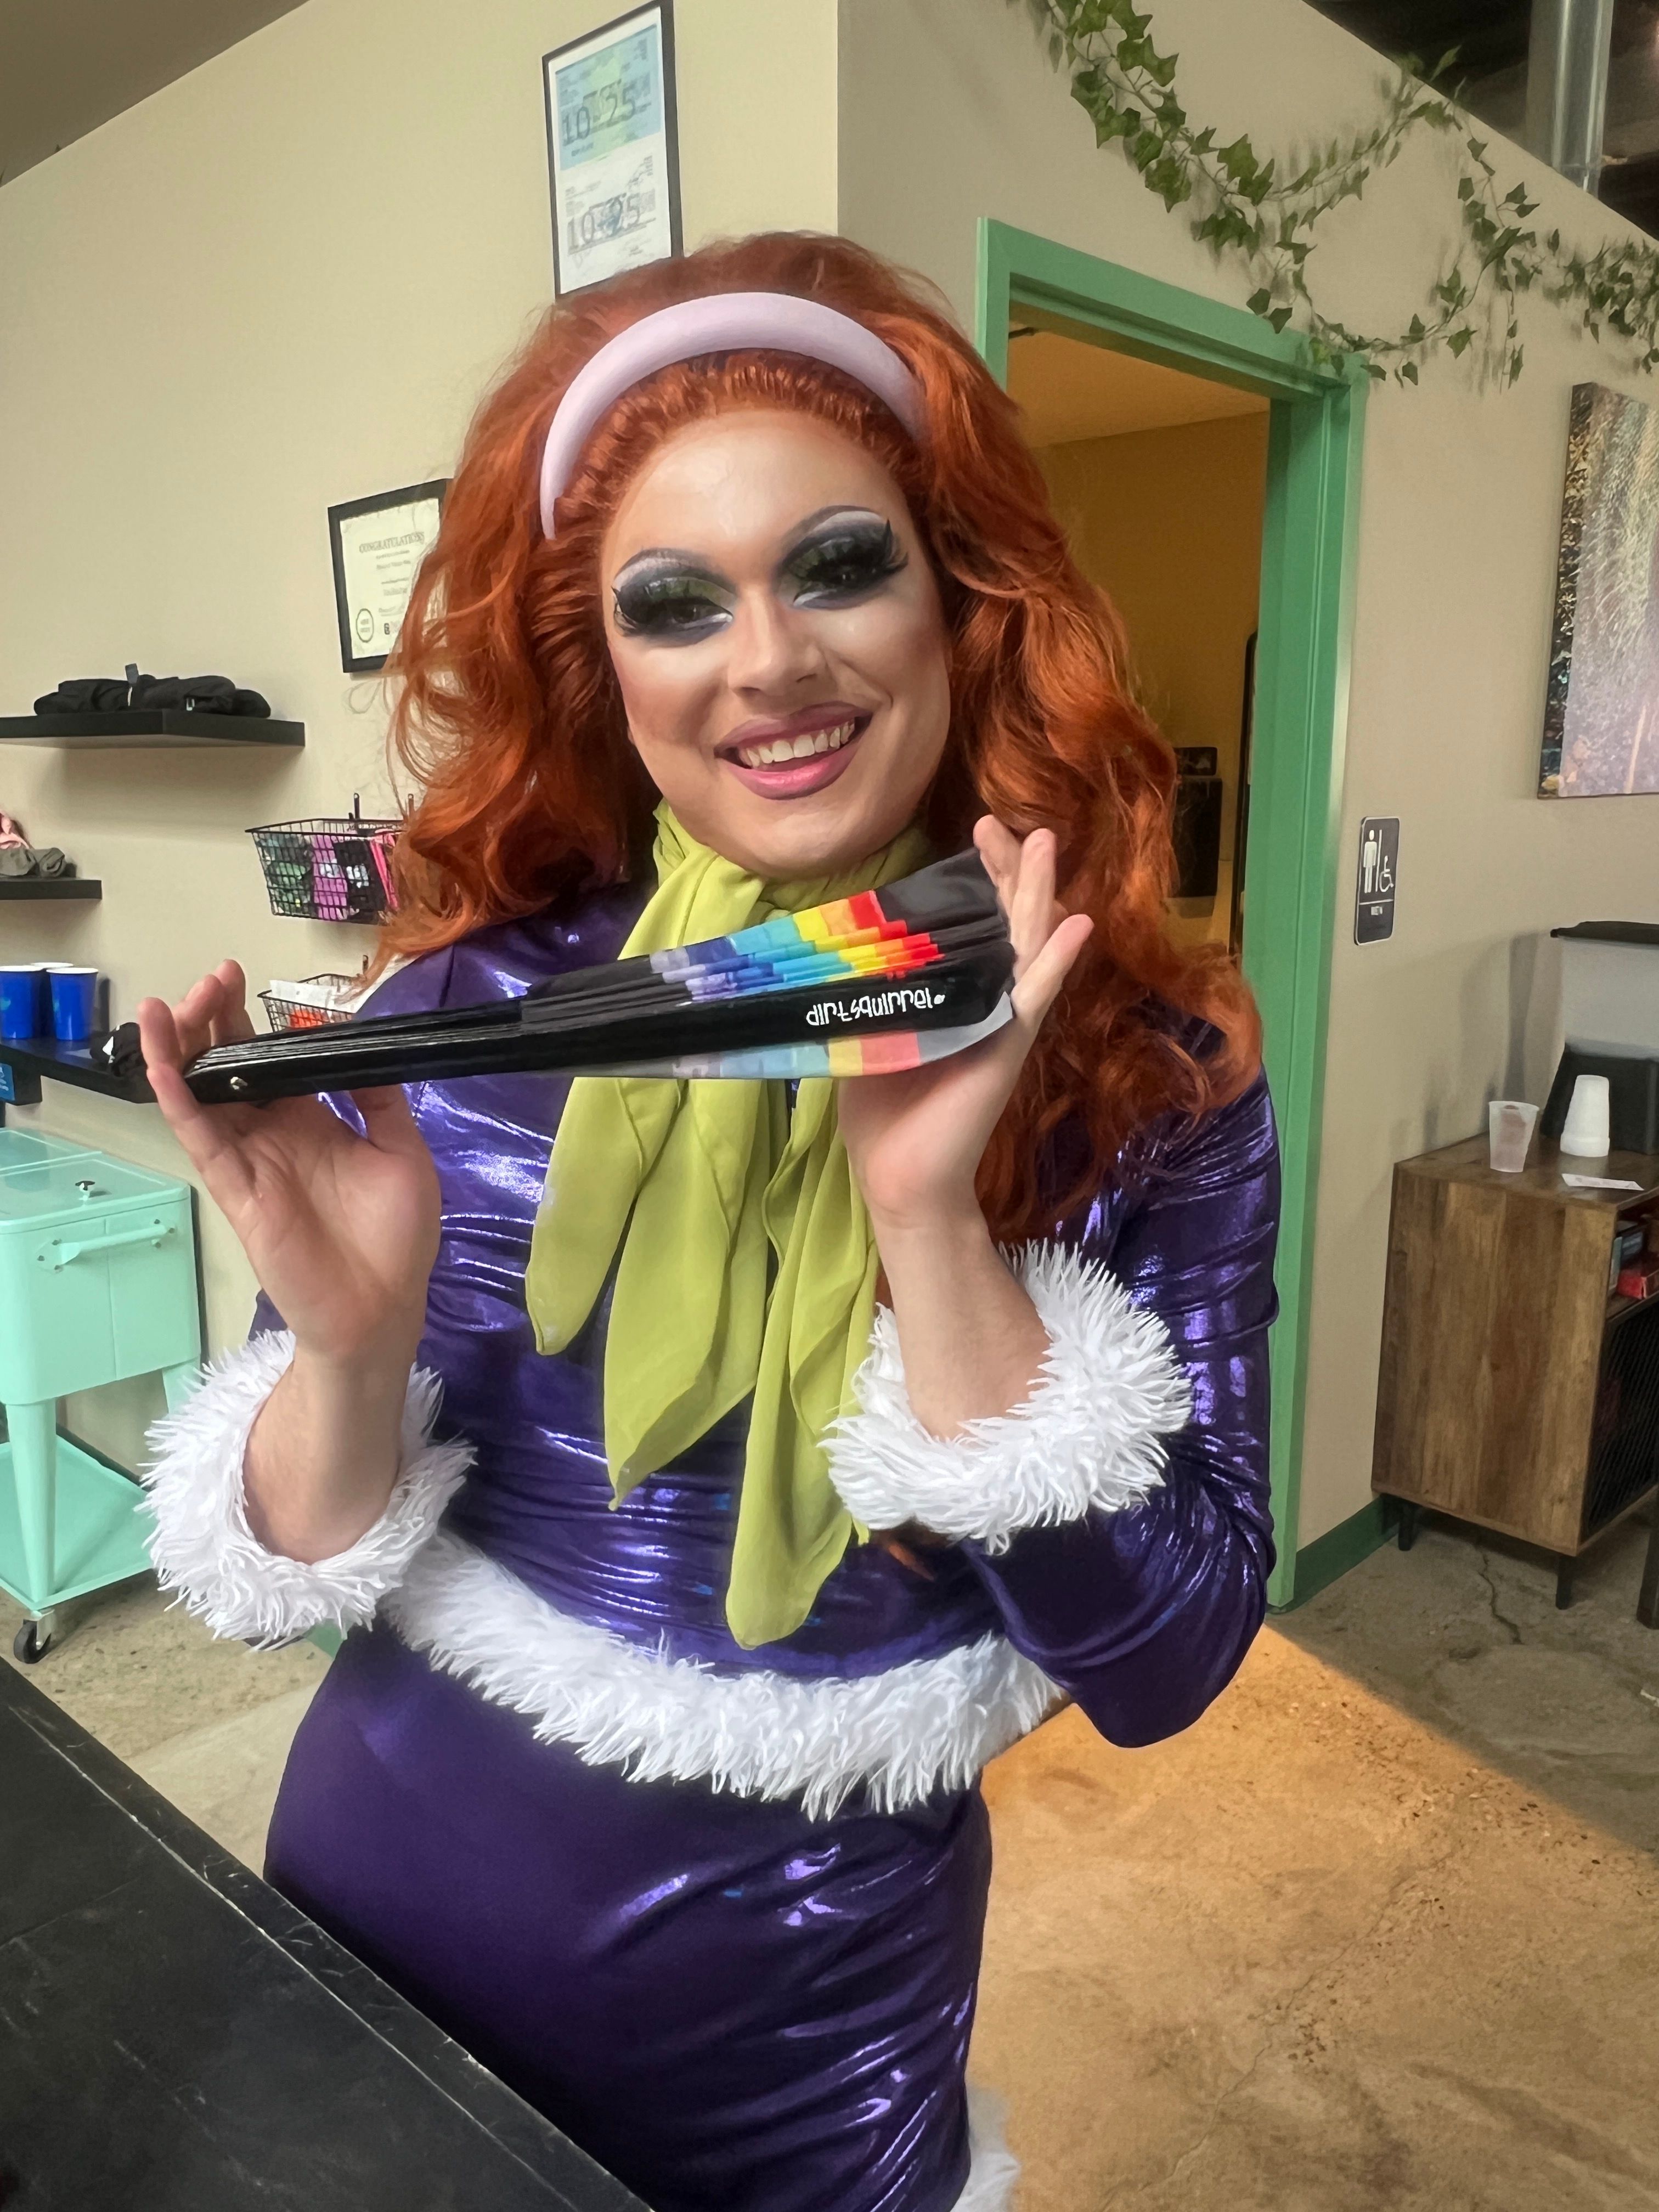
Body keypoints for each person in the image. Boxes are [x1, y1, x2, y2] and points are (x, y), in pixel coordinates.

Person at [138, 232, 1278, 2212]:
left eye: (839, 564)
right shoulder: (469, 1010)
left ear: (958, 595)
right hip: (362, 1955)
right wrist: (346, 1345)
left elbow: (1167, 1664)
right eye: (678, 603)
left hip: (806, 2063)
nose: (769, 664)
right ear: (611, 668)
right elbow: (281, 1568)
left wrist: (932, 1234)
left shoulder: (1148, 1070)